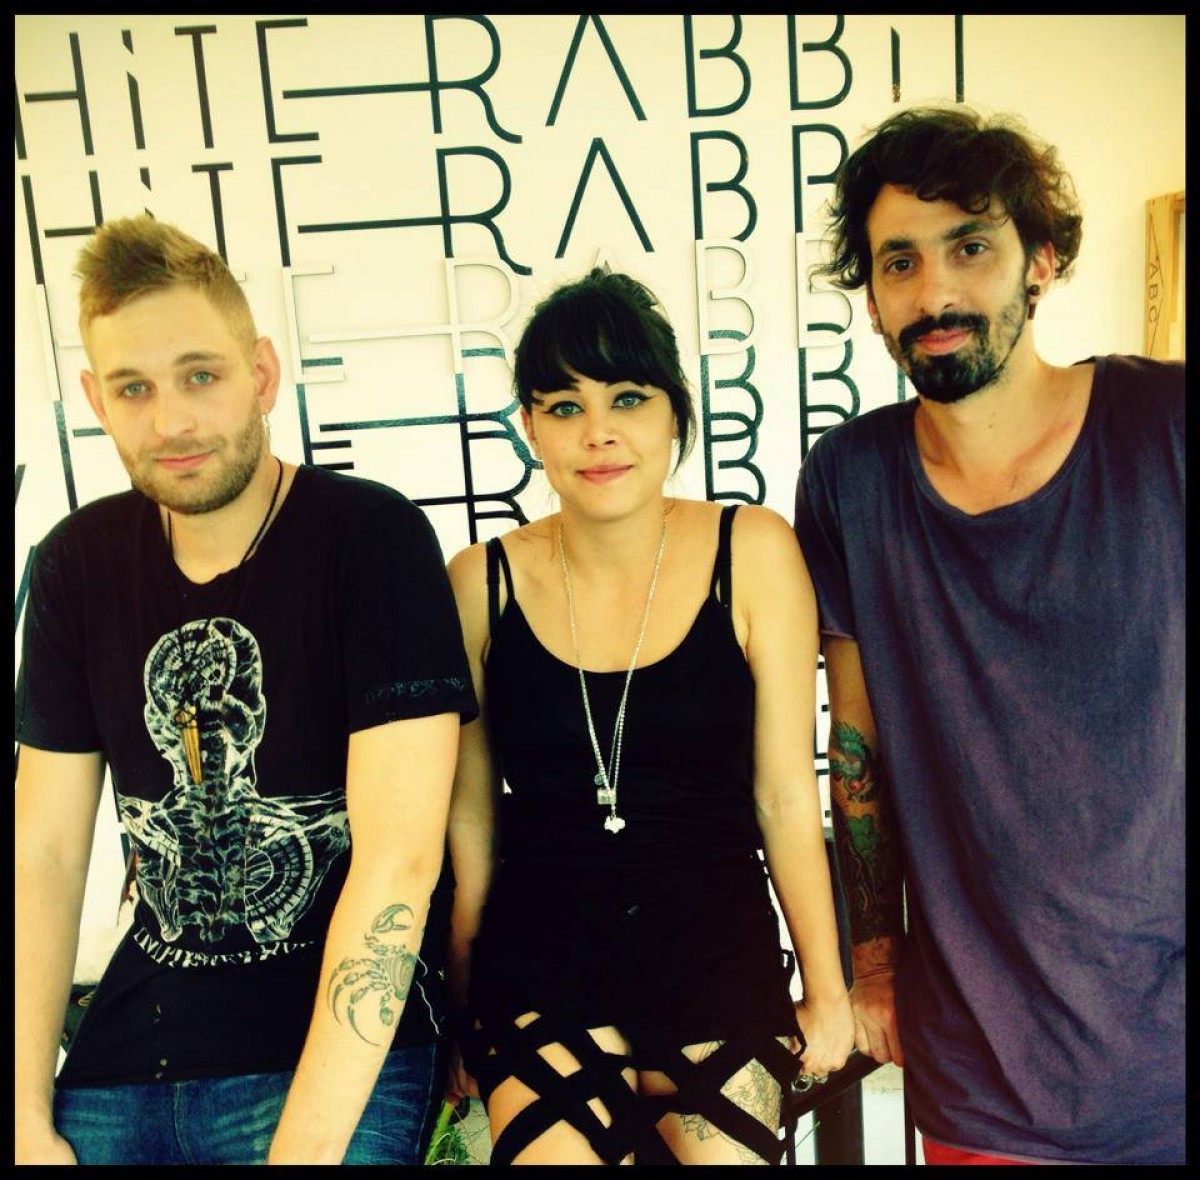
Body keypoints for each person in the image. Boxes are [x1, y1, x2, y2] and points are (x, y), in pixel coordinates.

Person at [14, 214, 478, 1165]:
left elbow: (399, 863)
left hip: (331, 1058)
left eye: (201, 376)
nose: (171, 422)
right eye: (134, 388)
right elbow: (45, 855)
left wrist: (302, 1153)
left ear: (262, 373)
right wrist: (21, 1113)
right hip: (122, 1061)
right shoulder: (76, 565)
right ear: (95, 400)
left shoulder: (372, 540)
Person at [793, 105, 1184, 1165]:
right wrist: (873, 962)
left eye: (970, 247)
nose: (935, 295)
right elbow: (855, 744)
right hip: (983, 1076)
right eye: (900, 263)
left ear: (1040, 259)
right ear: (872, 296)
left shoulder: (1165, 426)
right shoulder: (851, 481)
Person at [442, 267, 854, 1165]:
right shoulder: (479, 583)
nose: (599, 432)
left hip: (713, 937)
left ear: (674, 413)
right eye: (564, 406)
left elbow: (786, 794)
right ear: (529, 428)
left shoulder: (752, 549)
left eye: (628, 398)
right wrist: (461, 1002)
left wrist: (827, 988)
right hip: (541, 949)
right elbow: (470, 819)